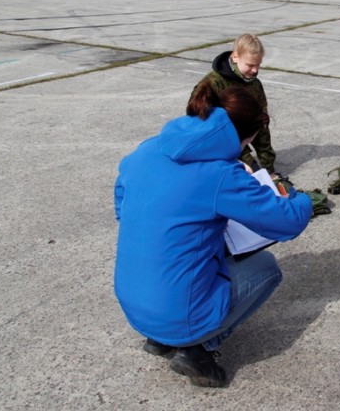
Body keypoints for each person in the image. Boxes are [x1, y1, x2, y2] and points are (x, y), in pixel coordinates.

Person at [114, 84, 313, 387]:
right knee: (267, 267)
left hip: (133, 305)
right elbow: (288, 221)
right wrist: (299, 197)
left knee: (190, 247)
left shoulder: (148, 148)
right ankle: (198, 349)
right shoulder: (221, 174)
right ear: (242, 137)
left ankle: (160, 340)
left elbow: (122, 204)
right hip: (175, 314)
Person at [189, 33, 278, 176]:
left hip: (242, 138)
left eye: (258, 65)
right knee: (249, 174)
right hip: (220, 141)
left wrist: (269, 167)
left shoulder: (255, 85)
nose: (255, 70)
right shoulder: (212, 83)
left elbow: (261, 125)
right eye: (250, 65)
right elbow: (196, 118)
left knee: (261, 175)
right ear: (235, 57)